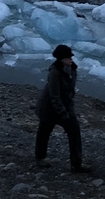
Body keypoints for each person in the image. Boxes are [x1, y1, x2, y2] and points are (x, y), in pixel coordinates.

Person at [35, 44, 90, 173]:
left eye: (70, 57)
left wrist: (69, 108)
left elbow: (69, 91)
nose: (71, 59)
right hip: (49, 108)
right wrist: (63, 113)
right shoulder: (55, 73)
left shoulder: (71, 69)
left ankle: (77, 164)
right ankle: (40, 157)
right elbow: (54, 96)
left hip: (64, 106)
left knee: (74, 133)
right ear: (60, 59)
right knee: (44, 132)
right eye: (67, 57)